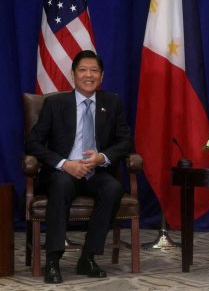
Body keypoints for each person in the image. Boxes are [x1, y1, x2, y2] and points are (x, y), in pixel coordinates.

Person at [26, 50, 133, 284]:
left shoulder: (111, 103)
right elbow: (33, 142)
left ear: (102, 76)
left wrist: (101, 157)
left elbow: (125, 141)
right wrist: (65, 164)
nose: (88, 75)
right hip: (62, 172)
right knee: (62, 185)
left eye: (94, 71)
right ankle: (53, 260)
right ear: (73, 74)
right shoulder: (55, 103)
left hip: (96, 172)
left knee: (113, 188)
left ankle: (88, 257)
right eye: (83, 70)